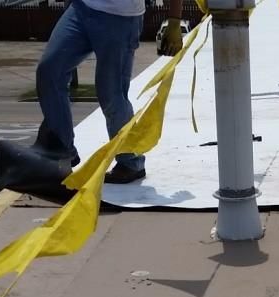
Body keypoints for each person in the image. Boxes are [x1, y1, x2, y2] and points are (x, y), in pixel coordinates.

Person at [32, 0, 185, 184]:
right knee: (49, 71)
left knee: (112, 94)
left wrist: (175, 21)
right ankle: (61, 149)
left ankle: (130, 161)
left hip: (121, 18)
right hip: (81, 8)